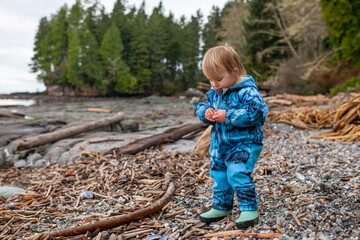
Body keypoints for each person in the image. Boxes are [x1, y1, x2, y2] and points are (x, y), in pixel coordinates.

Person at [196, 44, 268, 228]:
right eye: (210, 79)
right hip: (220, 144)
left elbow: (258, 113)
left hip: (244, 143)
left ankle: (248, 209)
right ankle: (222, 206)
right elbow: (201, 106)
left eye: (218, 79)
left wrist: (228, 115)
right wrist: (206, 112)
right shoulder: (216, 92)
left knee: (237, 172)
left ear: (235, 72)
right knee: (219, 175)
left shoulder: (246, 91)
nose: (214, 84)